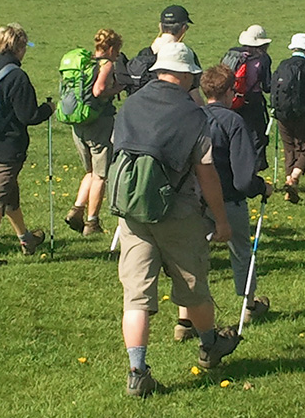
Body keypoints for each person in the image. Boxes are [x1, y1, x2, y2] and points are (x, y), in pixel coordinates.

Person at [113, 42, 238, 397]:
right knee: (192, 285)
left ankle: (137, 371)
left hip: (132, 210)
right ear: (185, 75)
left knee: (136, 297)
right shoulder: (193, 114)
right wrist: (221, 220)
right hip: (178, 211)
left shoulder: (132, 105)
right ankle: (210, 346)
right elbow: (206, 173)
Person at [174, 64, 272, 342]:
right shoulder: (233, 122)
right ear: (230, 91)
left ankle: (184, 319)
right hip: (228, 201)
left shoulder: (190, 118)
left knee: (191, 259)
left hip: (192, 201)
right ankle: (249, 305)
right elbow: (243, 178)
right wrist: (261, 187)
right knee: (241, 254)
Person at [0, 23, 53, 268]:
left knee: (9, 195)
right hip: (9, 148)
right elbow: (28, 115)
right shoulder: (17, 76)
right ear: (18, 46)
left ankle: (26, 239)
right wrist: (47, 110)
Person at [64, 29, 123, 237]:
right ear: (112, 48)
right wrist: (118, 89)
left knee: (89, 171)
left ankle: (77, 210)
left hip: (78, 122)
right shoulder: (105, 64)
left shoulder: (86, 62)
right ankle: (92, 222)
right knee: (100, 174)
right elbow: (98, 91)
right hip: (99, 122)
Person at [272, 33, 305, 203]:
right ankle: (293, 178)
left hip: (282, 114)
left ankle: (289, 186)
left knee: (290, 149)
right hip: (303, 114)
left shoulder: (283, 64)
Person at [125, 5, 202, 102]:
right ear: (184, 28)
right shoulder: (185, 54)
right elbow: (194, 94)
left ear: (160, 27)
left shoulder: (144, 54)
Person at [226, 24, 273, 172]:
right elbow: (267, 86)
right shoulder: (263, 59)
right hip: (254, 101)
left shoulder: (232, 54)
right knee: (257, 136)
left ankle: (234, 166)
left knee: (236, 135)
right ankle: (254, 170)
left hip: (232, 99)